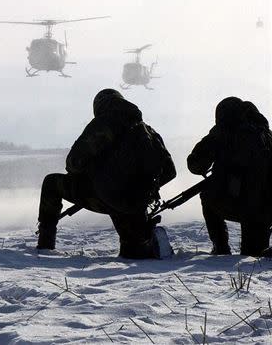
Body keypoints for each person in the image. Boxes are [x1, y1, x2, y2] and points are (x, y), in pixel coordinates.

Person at [36, 89, 176, 258]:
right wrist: (143, 189)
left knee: (51, 183)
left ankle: (45, 244)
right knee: (134, 252)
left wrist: (91, 176)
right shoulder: (147, 131)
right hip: (137, 203)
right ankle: (146, 240)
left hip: (107, 196)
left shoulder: (103, 124)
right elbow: (170, 171)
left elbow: (74, 162)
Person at [187, 97, 272, 256]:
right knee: (255, 258)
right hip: (266, 211)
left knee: (207, 196)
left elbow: (195, 164)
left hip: (239, 204)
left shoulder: (224, 131)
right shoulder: (267, 135)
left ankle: (221, 248)